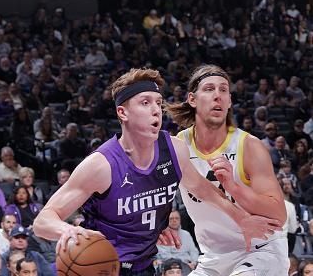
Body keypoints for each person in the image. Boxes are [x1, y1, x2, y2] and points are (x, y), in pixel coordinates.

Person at [33, 68, 281, 275]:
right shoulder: (101, 165)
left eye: (158, 103)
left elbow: (205, 191)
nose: (156, 110)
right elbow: (43, 220)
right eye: (145, 103)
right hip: (102, 266)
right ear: (123, 112)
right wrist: (68, 231)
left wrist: (242, 220)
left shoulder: (173, 149)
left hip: (144, 267)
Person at [166, 64, 288, 275]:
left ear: (230, 101)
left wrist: (234, 187)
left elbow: (278, 213)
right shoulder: (179, 146)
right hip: (212, 257)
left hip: (260, 251)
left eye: (223, 90)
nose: (218, 95)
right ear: (192, 99)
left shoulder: (249, 146)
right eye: (209, 89)